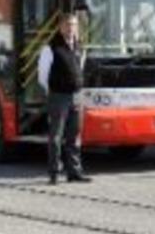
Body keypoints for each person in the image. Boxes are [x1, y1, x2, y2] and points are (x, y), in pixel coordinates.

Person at [38, 12, 91, 185]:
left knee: (74, 135)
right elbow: (42, 76)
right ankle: (53, 172)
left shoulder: (79, 47)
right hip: (59, 96)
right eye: (68, 25)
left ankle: (74, 172)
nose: (71, 28)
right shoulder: (50, 48)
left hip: (76, 96)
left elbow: (79, 69)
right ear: (60, 27)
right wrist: (52, 91)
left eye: (74, 25)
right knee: (56, 136)